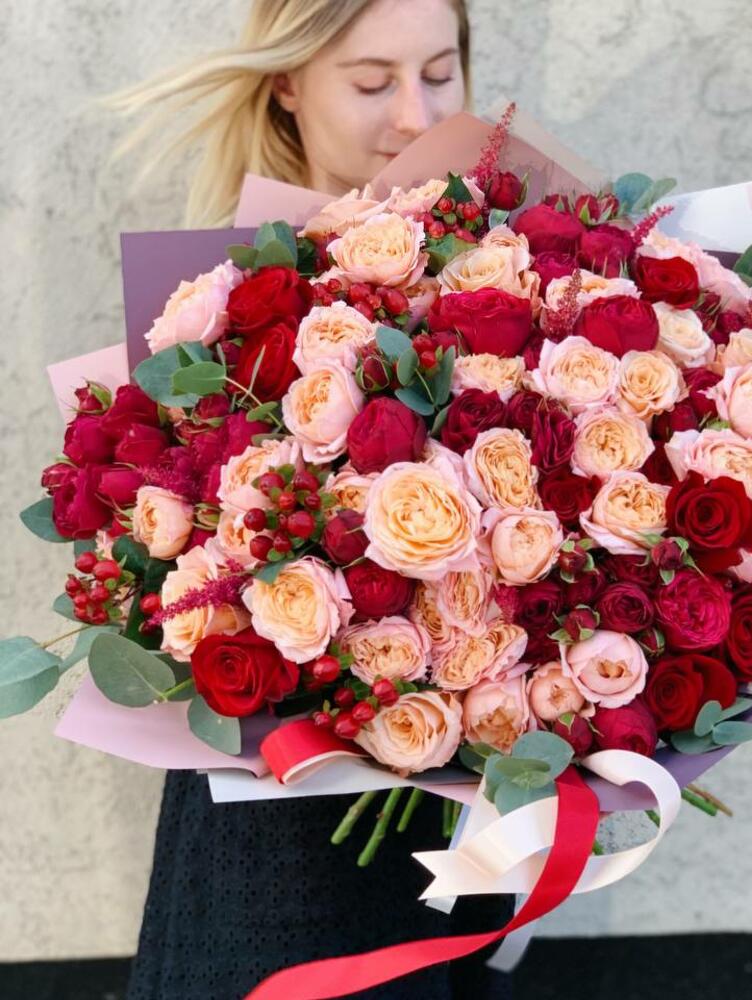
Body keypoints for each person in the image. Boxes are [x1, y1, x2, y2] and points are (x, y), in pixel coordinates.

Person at [103, 3, 513, 997]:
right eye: (372, 82)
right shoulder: (226, 329)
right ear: (287, 82)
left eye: (440, 73)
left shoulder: (515, 271)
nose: (417, 117)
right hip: (281, 834)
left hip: (468, 813)